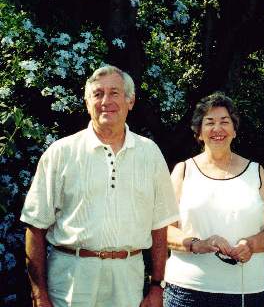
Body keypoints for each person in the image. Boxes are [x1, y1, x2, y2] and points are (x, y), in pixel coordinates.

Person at [20, 65, 179, 307]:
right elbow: (35, 225)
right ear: (87, 103)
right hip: (70, 279)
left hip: (128, 279)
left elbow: (159, 227)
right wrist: (39, 293)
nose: (106, 101)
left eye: (114, 93)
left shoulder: (150, 153)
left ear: (130, 101)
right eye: (98, 94)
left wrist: (157, 287)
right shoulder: (61, 152)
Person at [163, 92, 264, 307]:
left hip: (247, 292)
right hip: (187, 291)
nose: (217, 129)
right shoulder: (182, 171)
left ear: (234, 131)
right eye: (209, 122)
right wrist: (197, 244)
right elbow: (163, 230)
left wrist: (252, 244)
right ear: (199, 132)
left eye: (224, 122)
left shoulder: (256, 172)